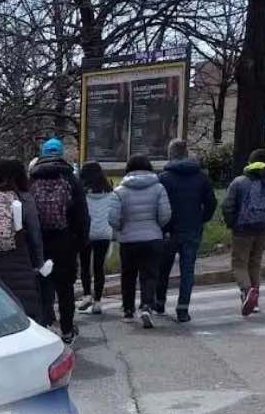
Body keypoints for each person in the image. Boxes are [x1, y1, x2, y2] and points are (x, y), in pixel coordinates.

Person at [0, 158, 45, 323]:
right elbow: (35, 235)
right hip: (19, 262)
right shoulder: (25, 199)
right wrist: (38, 264)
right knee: (24, 311)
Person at [29, 138, 90, 343]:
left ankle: (45, 325)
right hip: (65, 242)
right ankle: (66, 329)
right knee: (65, 288)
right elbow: (82, 215)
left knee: (43, 286)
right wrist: (81, 244)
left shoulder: (32, 179)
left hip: (40, 243)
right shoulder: (71, 179)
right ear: (61, 153)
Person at [156, 138, 218, 322]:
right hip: (192, 228)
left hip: (168, 230)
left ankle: (159, 303)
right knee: (188, 269)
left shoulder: (164, 178)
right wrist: (201, 218)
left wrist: (161, 225)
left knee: (163, 268)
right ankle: (183, 309)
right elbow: (211, 203)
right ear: (186, 154)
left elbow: (157, 205)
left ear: (171, 154)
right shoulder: (201, 177)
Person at [222, 149, 265, 316]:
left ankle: (246, 292)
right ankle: (255, 300)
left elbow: (227, 205)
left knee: (239, 263)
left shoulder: (239, 182)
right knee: (255, 262)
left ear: (250, 163)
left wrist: (232, 223)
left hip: (242, 228)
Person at [110, 155, 172, 328]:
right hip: (152, 238)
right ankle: (146, 306)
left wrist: (122, 227)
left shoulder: (120, 190)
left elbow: (113, 218)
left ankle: (128, 310)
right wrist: (156, 226)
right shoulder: (159, 188)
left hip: (128, 240)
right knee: (150, 274)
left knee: (128, 275)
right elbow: (166, 214)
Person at [77, 162, 116, 315]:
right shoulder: (110, 192)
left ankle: (87, 295)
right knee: (99, 267)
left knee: (85, 265)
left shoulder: (82, 192)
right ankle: (98, 301)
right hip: (104, 233)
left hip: (87, 232)